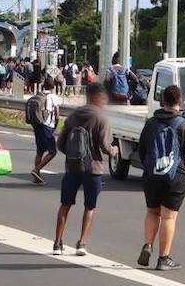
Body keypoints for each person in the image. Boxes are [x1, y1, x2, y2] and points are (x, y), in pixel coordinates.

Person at [137, 85, 185, 271]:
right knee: (168, 217)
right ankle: (163, 258)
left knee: (152, 212)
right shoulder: (183, 124)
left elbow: (141, 150)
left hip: (152, 176)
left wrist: (150, 169)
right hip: (175, 177)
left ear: (161, 101)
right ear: (179, 102)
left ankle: (147, 244)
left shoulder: (150, 123)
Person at [52, 83, 117, 256]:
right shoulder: (102, 118)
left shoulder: (72, 116)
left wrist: (72, 155)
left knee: (65, 204)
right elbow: (105, 146)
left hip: (72, 167)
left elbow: (60, 144)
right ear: (97, 97)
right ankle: (82, 243)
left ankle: (57, 243)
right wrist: (114, 151)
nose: (105, 101)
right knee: (89, 206)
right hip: (93, 168)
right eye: (103, 98)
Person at [30, 77, 62, 185]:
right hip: (47, 126)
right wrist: (55, 127)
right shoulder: (53, 97)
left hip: (38, 125)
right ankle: (36, 170)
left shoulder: (40, 95)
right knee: (52, 152)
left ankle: (36, 177)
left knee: (40, 151)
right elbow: (57, 115)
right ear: (53, 86)